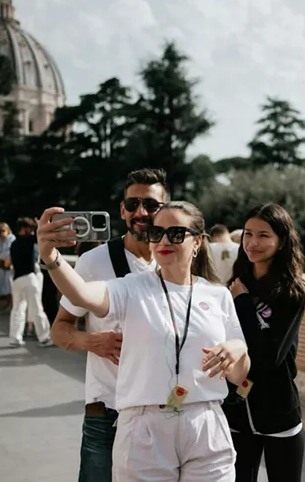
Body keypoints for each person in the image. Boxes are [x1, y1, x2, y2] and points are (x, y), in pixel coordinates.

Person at [38, 200, 250, 482]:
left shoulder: (217, 295)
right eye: (156, 232)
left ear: (197, 242)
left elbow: (240, 373)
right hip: (145, 428)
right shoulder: (130, 288)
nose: (163, 240)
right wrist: (51, 257)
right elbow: (80, 295)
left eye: (175, 233)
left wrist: (238, 348)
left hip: (206, 426)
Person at [50, 168, 167, 482]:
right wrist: (91, 342)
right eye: (133, 204)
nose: (140, 212)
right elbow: (59, 329)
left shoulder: (174, 261)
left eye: (151, 205)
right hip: (109, 413)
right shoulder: (95, 261)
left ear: (165, 209)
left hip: (164, 413)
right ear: (122, 209)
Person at [225, 203, 305, 482]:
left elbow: (269, 356)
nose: (252, 243)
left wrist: (242, 303)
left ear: (281, 240)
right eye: (248, 234)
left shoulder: (292, 294)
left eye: (263, 235)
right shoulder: (235, 283)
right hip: (238, 412)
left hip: (278, 414)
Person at [5, 217, 54, 347]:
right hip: (29, 278)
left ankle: (15, 338)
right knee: (37, 307)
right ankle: (44, 337)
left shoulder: (14, 243)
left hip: (16, 279)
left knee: (17, 309)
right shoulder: (29, 240)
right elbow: (40, 234)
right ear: (25, 229)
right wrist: (39, 223)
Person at [0, 223, 16, 307]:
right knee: (5, 285)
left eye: (3, 231)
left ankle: (12, 304)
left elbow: (10, 252)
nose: (2, 233)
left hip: (10, 265)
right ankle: (7, 303)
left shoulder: (12, 239)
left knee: (11, 285)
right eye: (0, 231)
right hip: (2, 265)